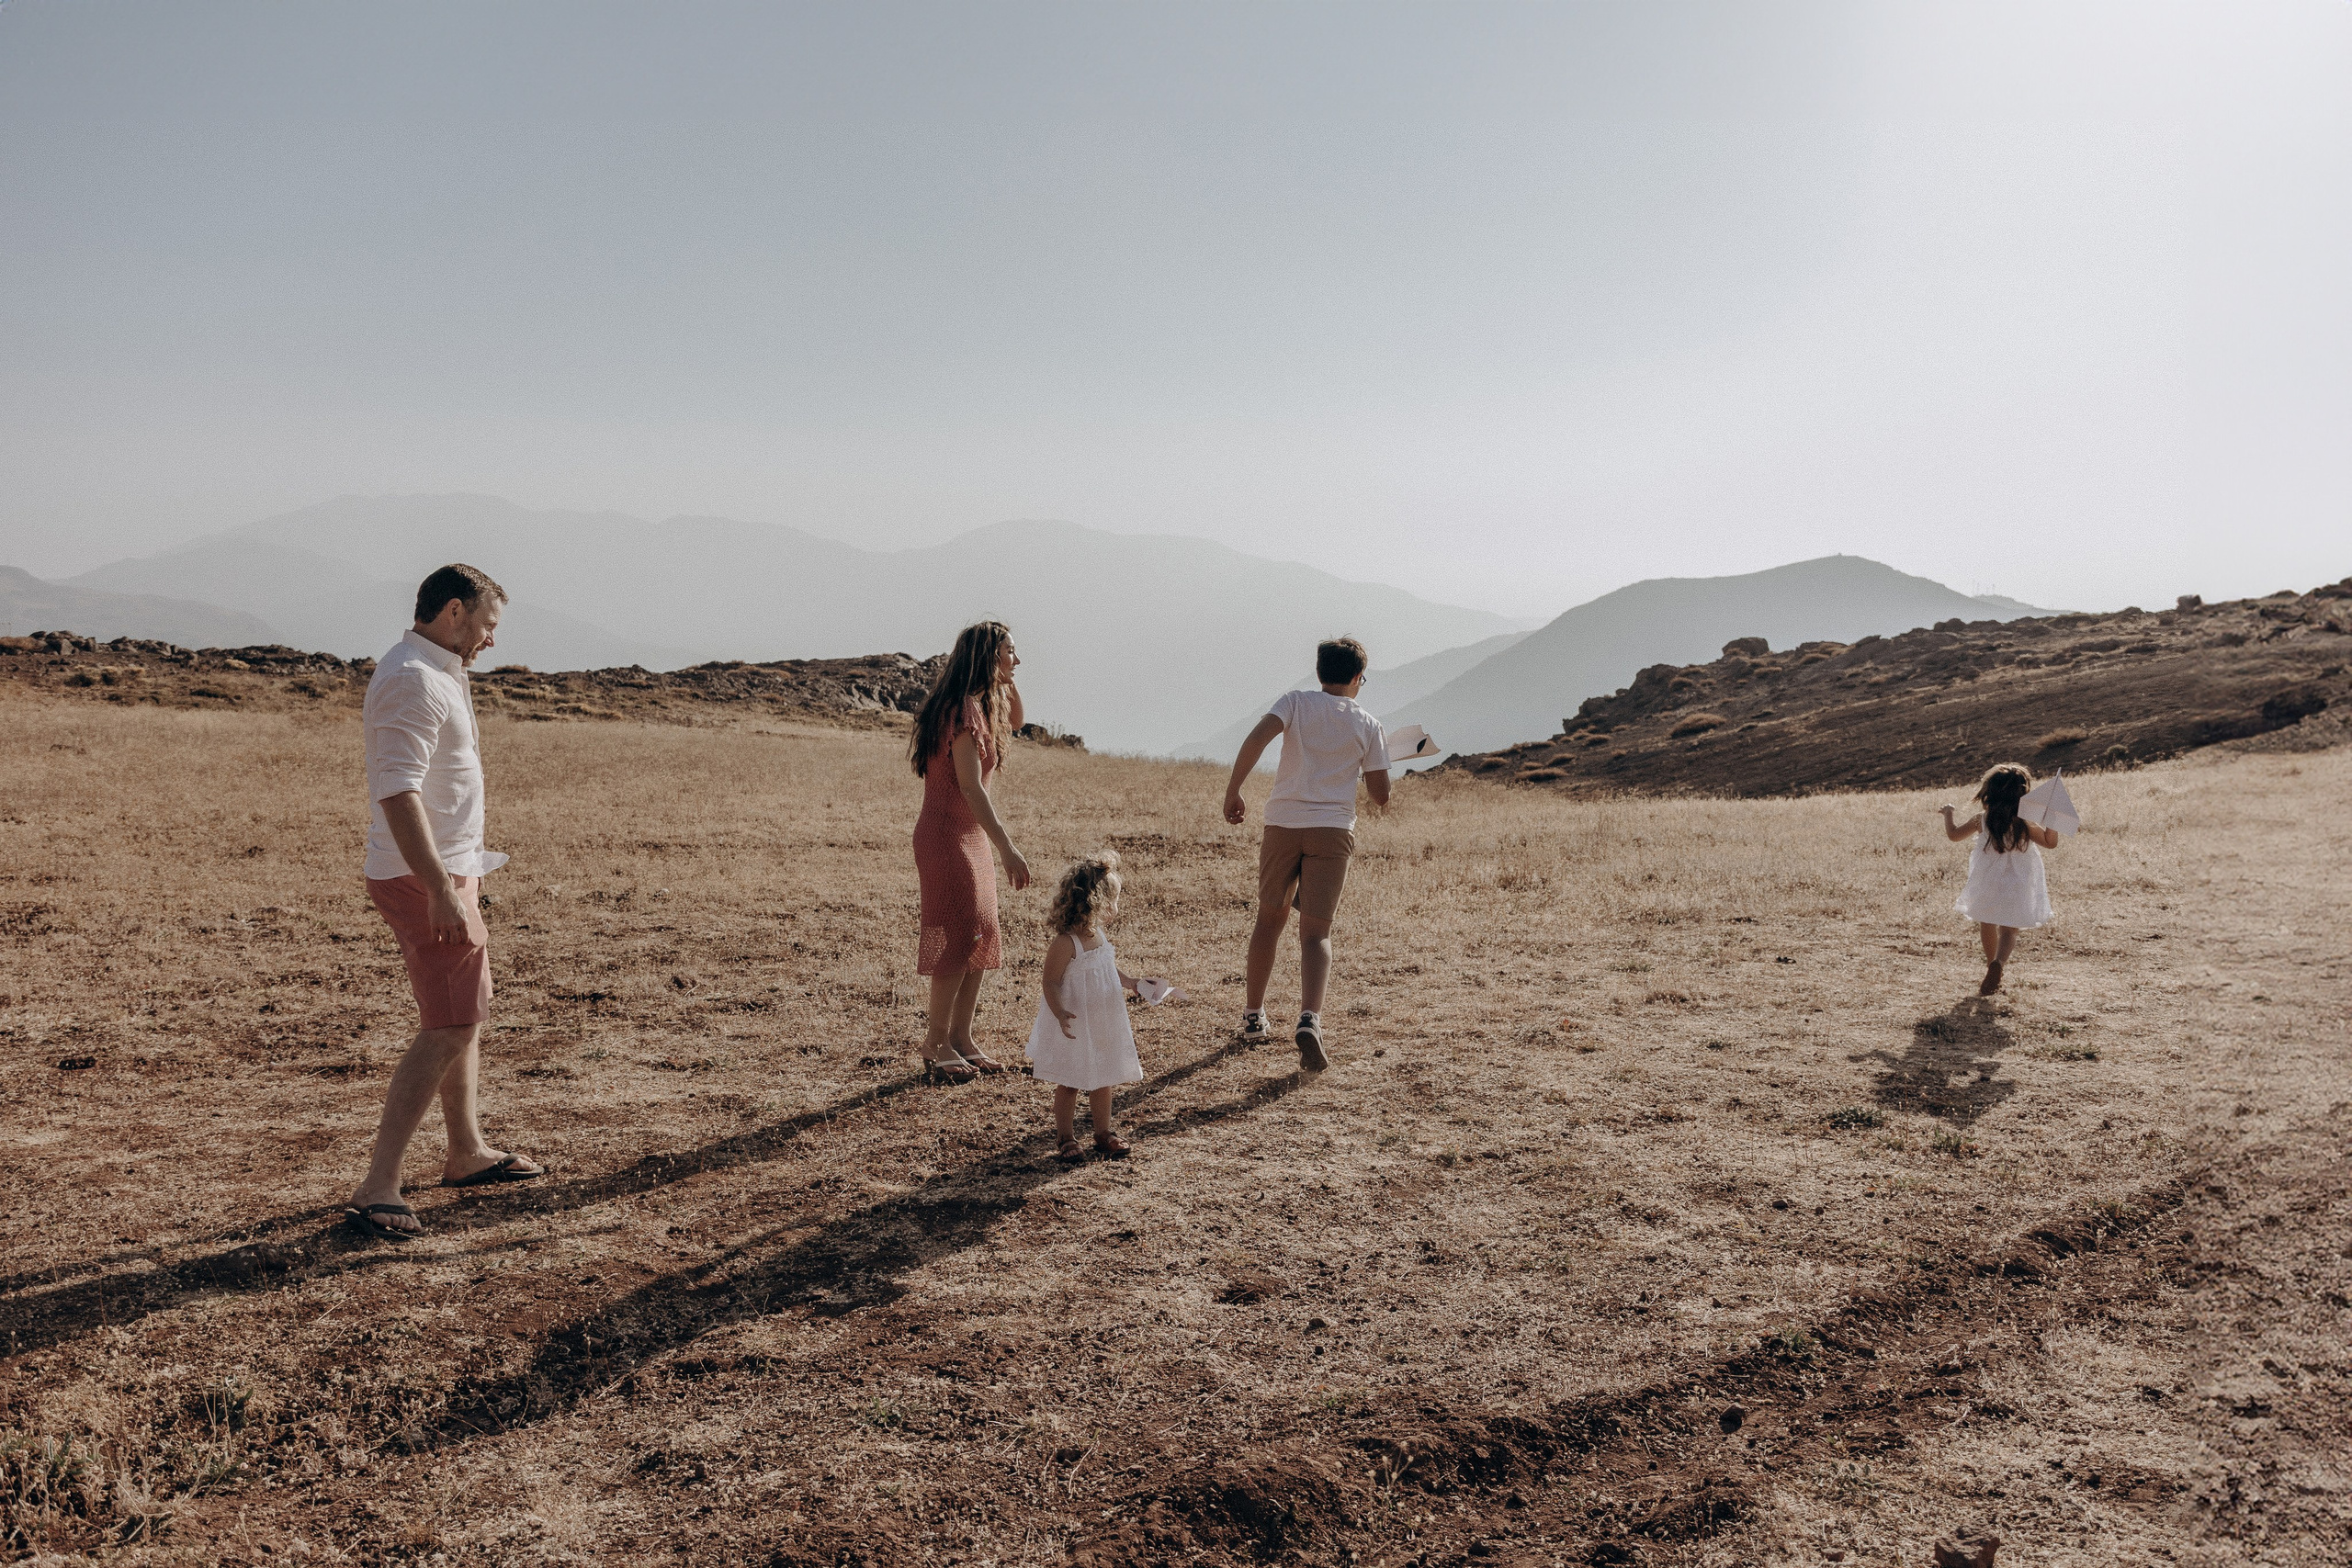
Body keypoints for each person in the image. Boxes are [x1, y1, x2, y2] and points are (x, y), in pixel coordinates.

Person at [344, 565, 543, 1242]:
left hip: (447, 870)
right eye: (487, 625)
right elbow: (397, 793)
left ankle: (465, 1150)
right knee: (451, 1024)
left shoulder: (434, 668)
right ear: (454, 613)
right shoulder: (412, 679)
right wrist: (437, 888)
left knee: (464, 1013)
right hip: (422, 876)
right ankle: (379, 1185)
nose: (491, 640)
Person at [1221, 637, 1391, 1072]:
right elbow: (1379, 796)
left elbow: (1257, 738)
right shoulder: (1369, 724)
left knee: (1269, 920)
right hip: (1332, 831)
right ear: (1357, 679)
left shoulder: (1295, 702)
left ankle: (1254, 1017)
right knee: (1316, 934)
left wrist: (1234, 789)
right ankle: (1310, 1019)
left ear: (1319, 672)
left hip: (1283, 824)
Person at [909, 620, 1032, 1080]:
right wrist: (1007, 846)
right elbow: (970, 787)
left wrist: (1008, 677)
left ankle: (961, 1037)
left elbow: (1018, 722)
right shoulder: (961, 712)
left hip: (970, 835)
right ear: (987, 656)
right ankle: (935, 1042)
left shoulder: (982, 704)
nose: (1017, 660)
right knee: (959, 937)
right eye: (1010, 653)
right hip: (946, 836)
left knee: (981, 934)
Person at [1027, 853, 1158, 1162]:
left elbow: (1108, 966)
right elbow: (1051, 981)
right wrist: (1059, 1012)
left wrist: (1132, 983)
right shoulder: (1066, 943)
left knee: (1104, 1076)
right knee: (1071, 1080)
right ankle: (1065, 1137)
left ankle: (1103, 1132)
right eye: (1113, 901)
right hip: (1076, 1021)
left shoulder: (1097, 934)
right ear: (1095, 903)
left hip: (1102, 1019)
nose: (1117, 908)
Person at [1939, 763, 2060, 996]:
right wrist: (2052, 818)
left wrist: (1948, 814)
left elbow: (1954, 835)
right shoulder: (2025, 822)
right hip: (2019, 882)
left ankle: (1989, 966)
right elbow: (2049, 842)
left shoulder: (1982, 820)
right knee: (2009, 929)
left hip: (1988, 881)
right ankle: (1999, 964)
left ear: (1988, 793)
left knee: (1987, 922)